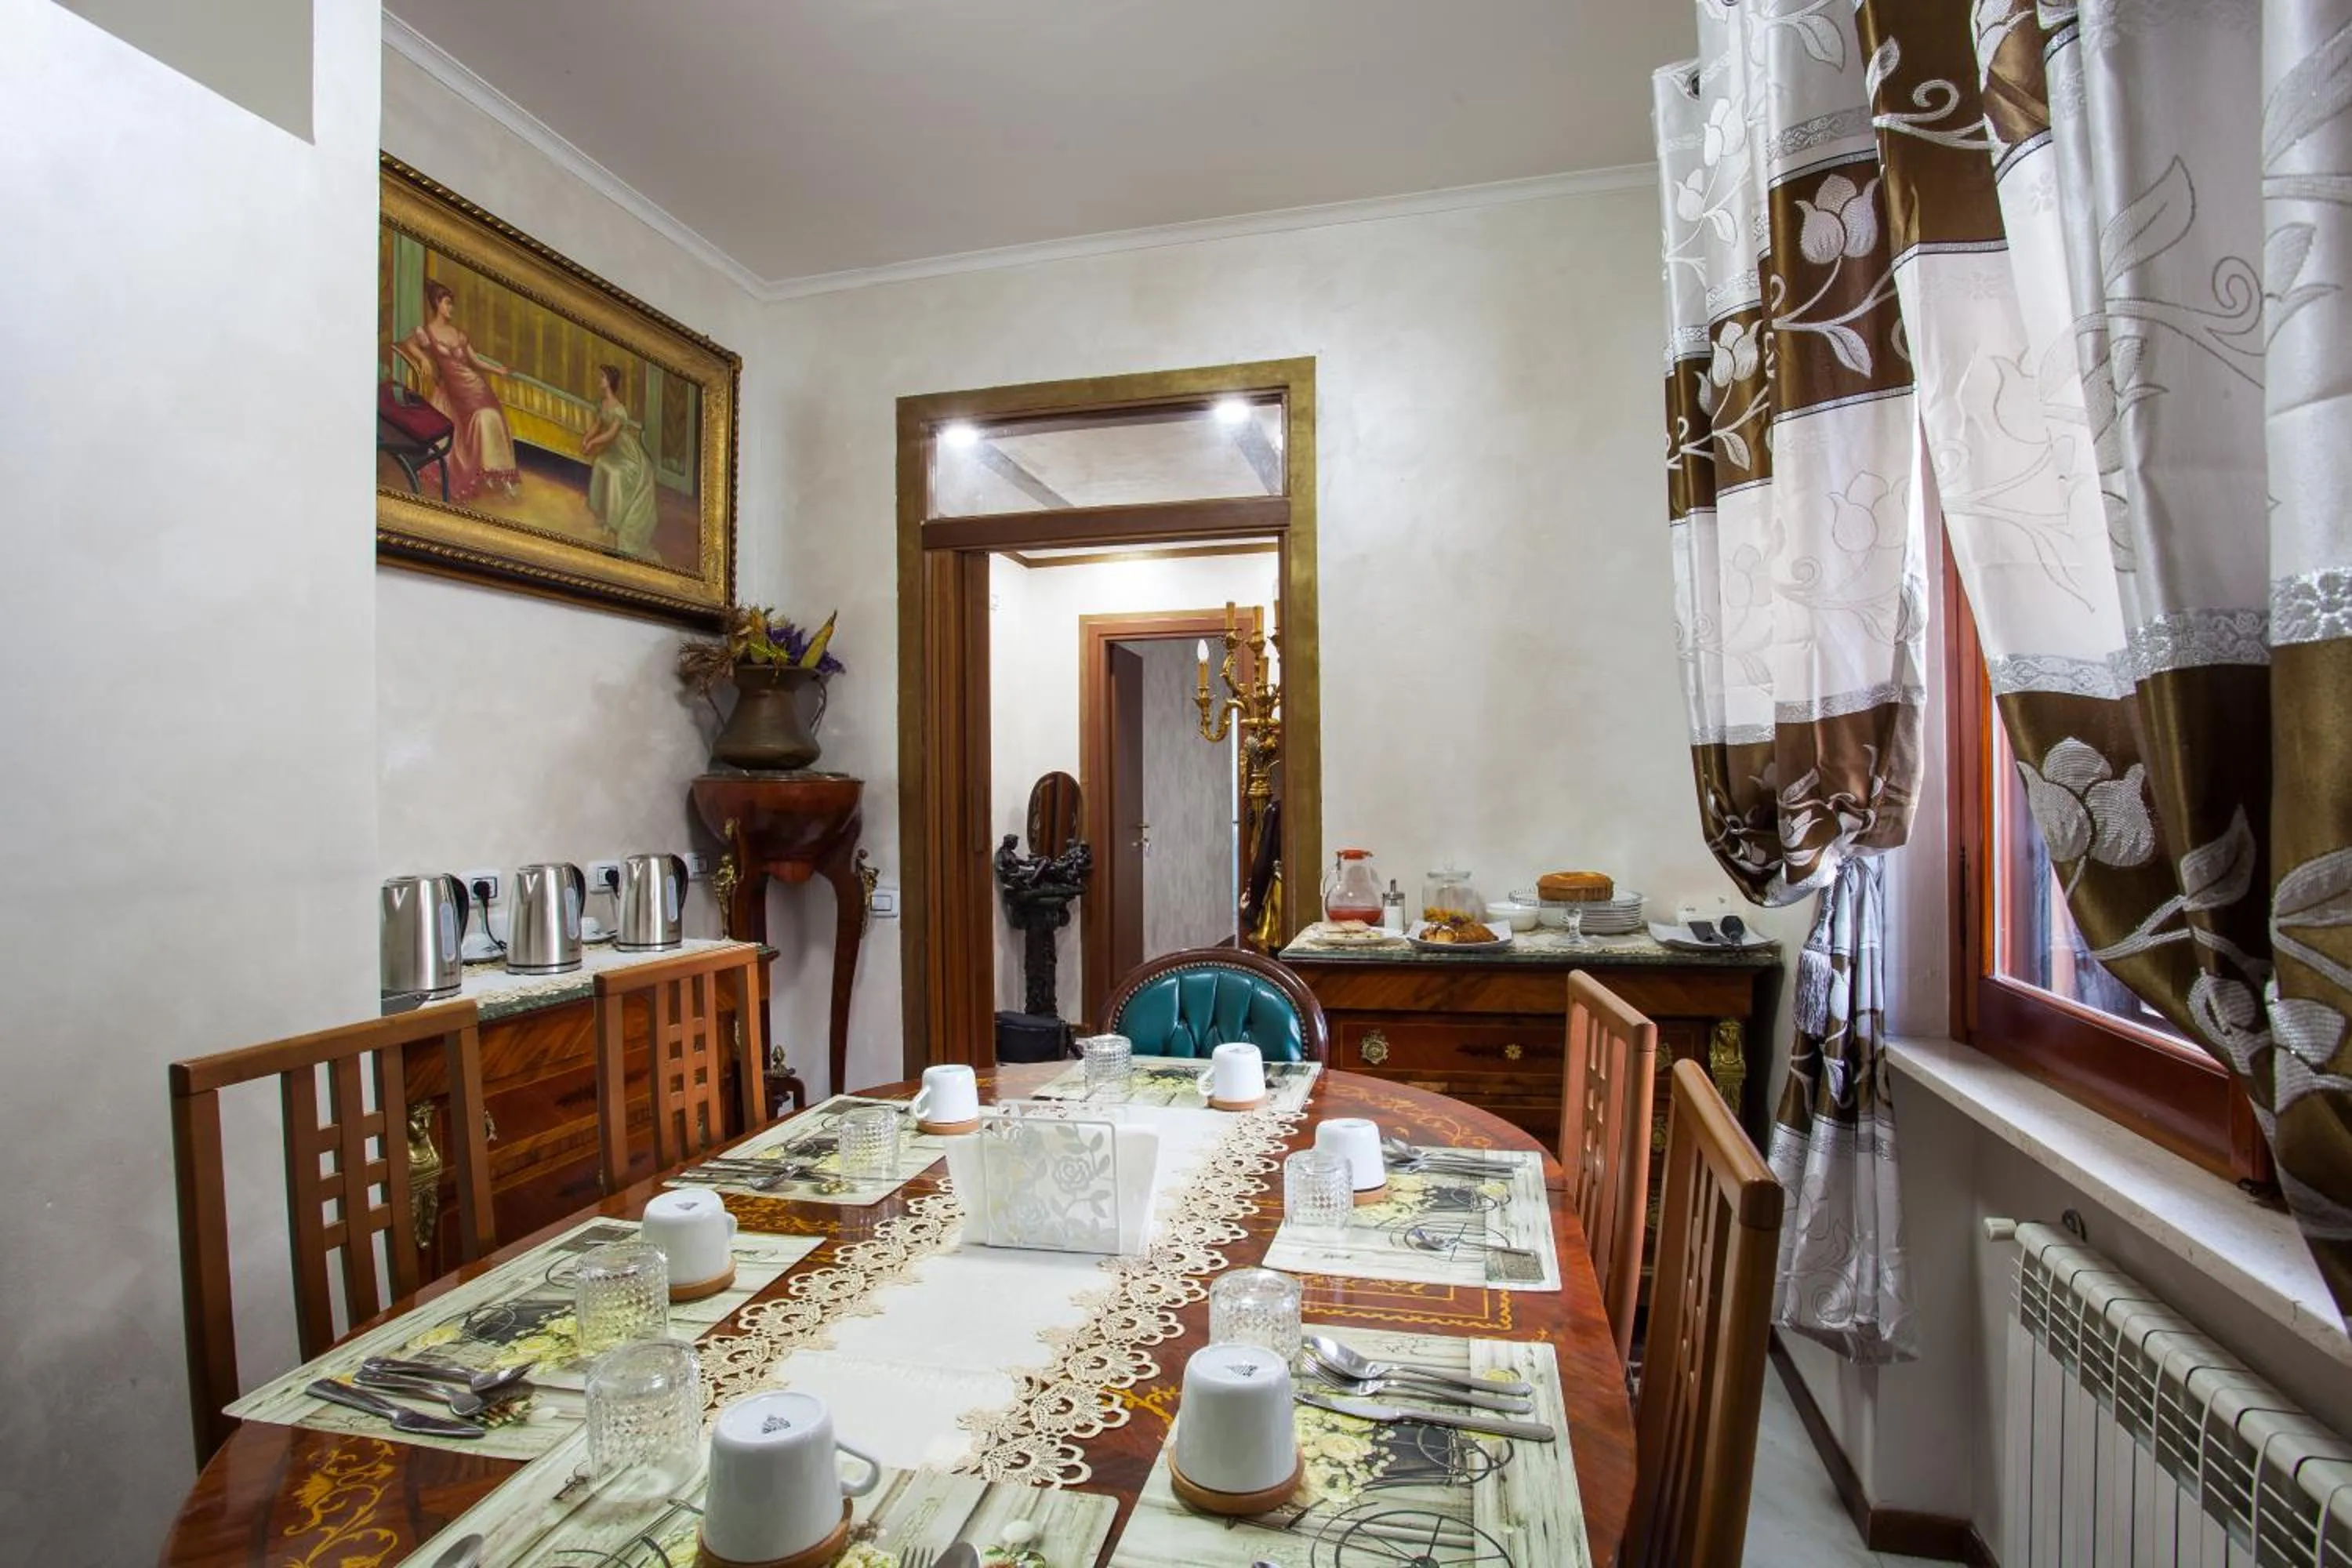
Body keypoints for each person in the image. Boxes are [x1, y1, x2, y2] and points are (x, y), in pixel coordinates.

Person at [394, 279, 520, 502]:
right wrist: (424, 358)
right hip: (455, 390)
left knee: (491, 417)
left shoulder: (458, 334)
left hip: (476, 387)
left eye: (452, 304)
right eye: (447, 303)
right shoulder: (426, 333)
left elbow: (475, 361)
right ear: (436, 303)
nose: (451, 308)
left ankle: (500, 474)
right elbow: (409, 344)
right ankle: (487, 469)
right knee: (479, 419)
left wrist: (498, 371)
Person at [583, 363, 659, 557]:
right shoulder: (602, 403)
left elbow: (610, 435)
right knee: (600, 464)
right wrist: (587, 438)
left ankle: (614, 521)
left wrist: (593, 444)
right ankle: (604, 515)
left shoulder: (620, 410)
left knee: (616, 474)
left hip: (628, 455)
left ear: (610, 382)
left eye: (602, 377)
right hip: (614, 452)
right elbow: (598, 425)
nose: (599, 380)